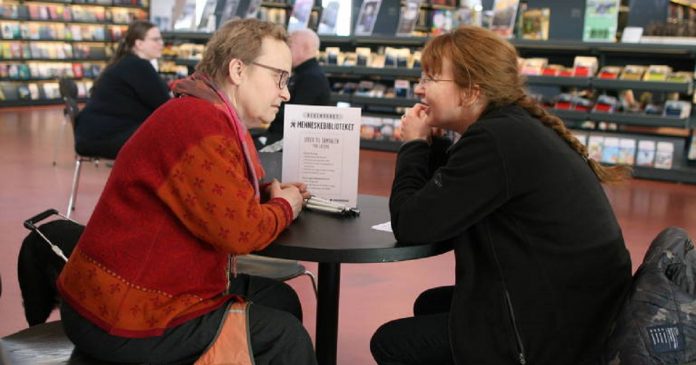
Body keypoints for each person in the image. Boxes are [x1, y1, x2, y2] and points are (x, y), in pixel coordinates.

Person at [57, 19, 317, 365]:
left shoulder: (202, 112)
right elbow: (242, 233)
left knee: (280, 299)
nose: (286, 92)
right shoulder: (200, 125)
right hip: (124, 317)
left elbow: (211, 195)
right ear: (238, 70)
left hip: (119, 296)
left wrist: (266, 194)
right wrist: (287, 204)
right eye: (279, 77)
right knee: (286, 339)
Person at [370, 26, 633, 365]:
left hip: (554, 333)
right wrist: (433, 144)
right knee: (430, 304)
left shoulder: (495, 140)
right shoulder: (508, 128)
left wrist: (414, 146)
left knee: (392, 343)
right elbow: (445, 198)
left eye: (431, 79)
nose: (419, 89)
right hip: (576, 308)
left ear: (471, 91)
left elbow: (411, 224)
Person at [74, 20, 170, 159]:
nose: (161, 43)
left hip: (92, 134)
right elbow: (164, 104)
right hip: (104, 138)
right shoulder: (138, 66)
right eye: (155, 39)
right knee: (170, 135)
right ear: (139, 44)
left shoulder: (126, 62)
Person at [257, 28, 331, 149]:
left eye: (290, 45)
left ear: (305, 48)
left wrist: (263, 108)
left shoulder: (311, 77)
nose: (286, 49)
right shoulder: (306, 73)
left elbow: (296, 116)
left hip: (288, 142)